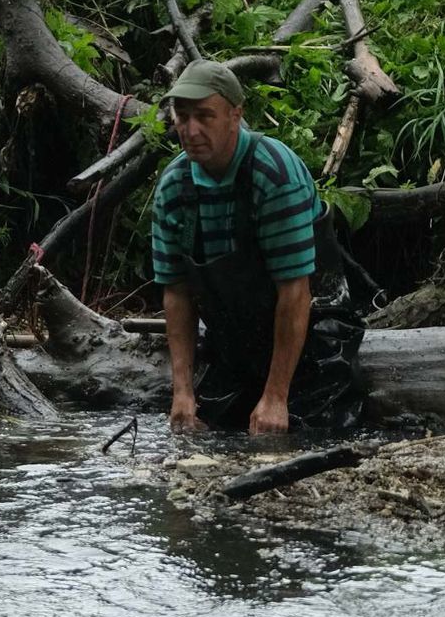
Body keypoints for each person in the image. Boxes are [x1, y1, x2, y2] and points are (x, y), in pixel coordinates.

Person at [151, 61, 365, 434]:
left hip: (315, 335)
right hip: (234, 344)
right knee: (204, 434)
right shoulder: (174, 187)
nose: (191, 129)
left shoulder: (273, 174)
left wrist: (276, 397)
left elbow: (296, 292)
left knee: (308, 438)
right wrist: (182, 392)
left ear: (236, 115)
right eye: (182, 116)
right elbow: (177, 294)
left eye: (205, 116)